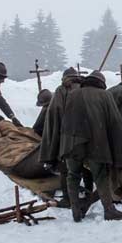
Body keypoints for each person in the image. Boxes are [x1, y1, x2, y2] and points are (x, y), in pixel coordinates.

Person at [60, 71, 122, 222]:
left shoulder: (73, 94)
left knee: (73, 175)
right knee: (101, 176)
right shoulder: (105, 95)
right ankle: (109, 211)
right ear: (101, 83)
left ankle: (75, 211)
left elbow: (65, 119)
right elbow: (115, 122)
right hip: (95, 143)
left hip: (72, 142)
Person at [39, 67, 83, 208]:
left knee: (66, 170)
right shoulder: (84, 88)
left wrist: (53, 139)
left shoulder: (61, 90)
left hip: (65, 136)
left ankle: (68, 199)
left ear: (64, 78)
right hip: (85, 136)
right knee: (84, 168)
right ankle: (86, 193)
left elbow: (54, 114)